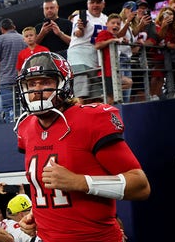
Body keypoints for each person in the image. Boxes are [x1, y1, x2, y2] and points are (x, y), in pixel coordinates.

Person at [14, 52, 151, 242]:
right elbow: (46, 189)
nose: (36, 91)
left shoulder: (90, 119)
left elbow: (141, 186)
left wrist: (80, 182)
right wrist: (39, 216)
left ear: (64, 84)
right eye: (31, 84)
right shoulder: (26, 127)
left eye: (45, 82)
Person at [0, 18, 26, 124]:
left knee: (10, 110)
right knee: (24, 109)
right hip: (23, 80)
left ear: (2, 29)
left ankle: (13, 134)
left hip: (7, 81)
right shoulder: (24, 38)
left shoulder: (0, 39)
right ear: (14, 27)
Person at [95, 14, 132, 104]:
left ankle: (106, 96)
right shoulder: (104, 33)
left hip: (114, 72)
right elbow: (97, 45)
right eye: (113, 23)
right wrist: (112, 41)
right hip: (107, 73)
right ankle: (107, 111)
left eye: (118, 24)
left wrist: (121, 41)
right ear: (106, 24)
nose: (116, 25)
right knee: (111, 98)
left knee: (128, 82)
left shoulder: (114, 37)